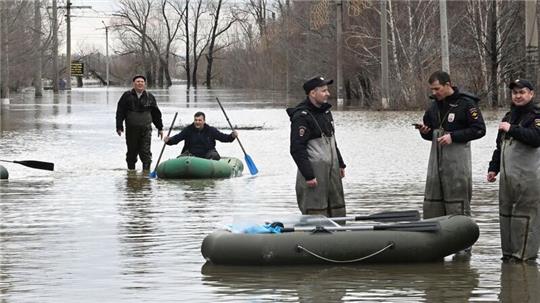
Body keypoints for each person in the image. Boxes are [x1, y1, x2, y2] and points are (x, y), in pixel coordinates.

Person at [417, 71, 486, 219]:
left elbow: (479, 130)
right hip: (436, 167)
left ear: (447, 85)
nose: (434, 93)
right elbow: (430, 134)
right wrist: (424, 131)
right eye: (432, 90)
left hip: (457, 168)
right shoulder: (433, 107)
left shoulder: (466, 103)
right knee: (433, 208)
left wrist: (453, 137)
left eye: (437, 89)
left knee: (457, 209)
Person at [487, 79, 540, 262]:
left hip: (529, 178)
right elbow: (499, 147)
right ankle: (508, 258)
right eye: (514, 93)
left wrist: (513, 129)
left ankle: (525, 259)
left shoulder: (536, 116)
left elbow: (536, 138)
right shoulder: (508, 116)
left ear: (531, 94)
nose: (517, 96)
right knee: (506, 215)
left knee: (525, 216)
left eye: (522, 92)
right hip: (508, 179)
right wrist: (493, 168)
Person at [286, 75, 346, 218]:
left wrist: (341, 164)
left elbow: (332, 141)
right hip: (314, 175)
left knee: (338, 210)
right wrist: (309, 176)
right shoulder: (301, 116)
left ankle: (340, 237)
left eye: (327, 90)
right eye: (324, 91)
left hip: (331, 171)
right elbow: (297, 148)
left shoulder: (326, 112)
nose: (328, 94)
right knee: (316, 212)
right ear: (313, 93)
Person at [116, 75, 163, 170]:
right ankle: (131, 175)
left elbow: (156, 114)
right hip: (131, 129)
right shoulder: (127, 96)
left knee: (145, 153)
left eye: (142, 81)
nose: (140, 83)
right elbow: (120, 112)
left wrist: (160, 128)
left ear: (145, 84)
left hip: (146, 129)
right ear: (133, 83)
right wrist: (119, 126)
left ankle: (145, 176)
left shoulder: (150, 97)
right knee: (131, 153)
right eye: (138, 81)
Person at [164, 111, 237, 160]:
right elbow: (177, 138)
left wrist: (232, 136)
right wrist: (169, 140)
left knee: (214, 155)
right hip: (191, 155)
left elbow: (224, 138)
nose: (197, 122)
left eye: (199, 120)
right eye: (196, 120)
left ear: (204, 121)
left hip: (207, 155)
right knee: (181, 158)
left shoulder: (211, 130)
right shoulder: (188, 130)